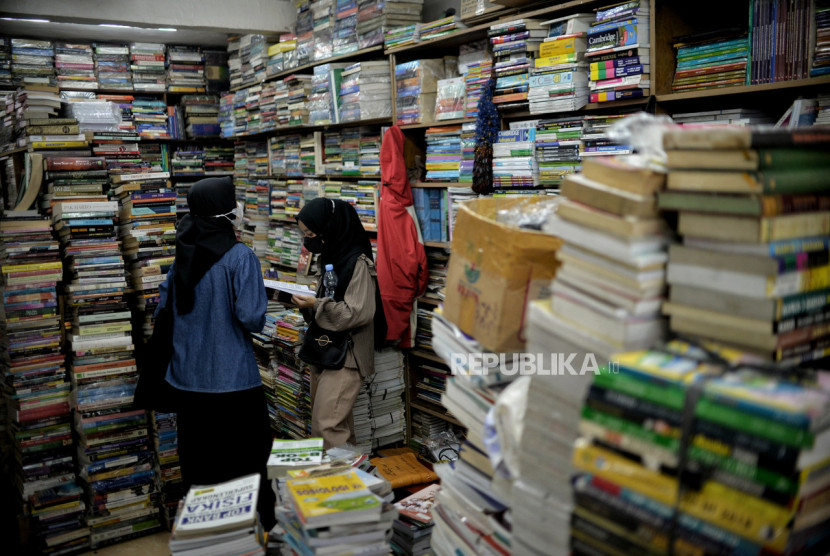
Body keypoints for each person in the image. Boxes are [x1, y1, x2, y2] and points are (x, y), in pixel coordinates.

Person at [156, 176, 276, 531]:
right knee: (250, 461)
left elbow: (164, 310)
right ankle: (261, 532)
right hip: (233, 381)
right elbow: (251, 317)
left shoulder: (182, 258)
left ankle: (207, 535)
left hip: (188, 380)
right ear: (227, 212)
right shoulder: (240, 257)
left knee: (199, 463)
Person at [292, 198, 379, 449]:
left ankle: (341, 486)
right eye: (304, 234)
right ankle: (352, 480)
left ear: (329, 226)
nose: (308, 239)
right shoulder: (330, 255)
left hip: (348, 353)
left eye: (311, 232)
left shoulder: (357, 262)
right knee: (337, 426)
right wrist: (308, 302)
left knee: (326, 426)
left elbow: (357, 312)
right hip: (325, 349)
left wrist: (315, 305)